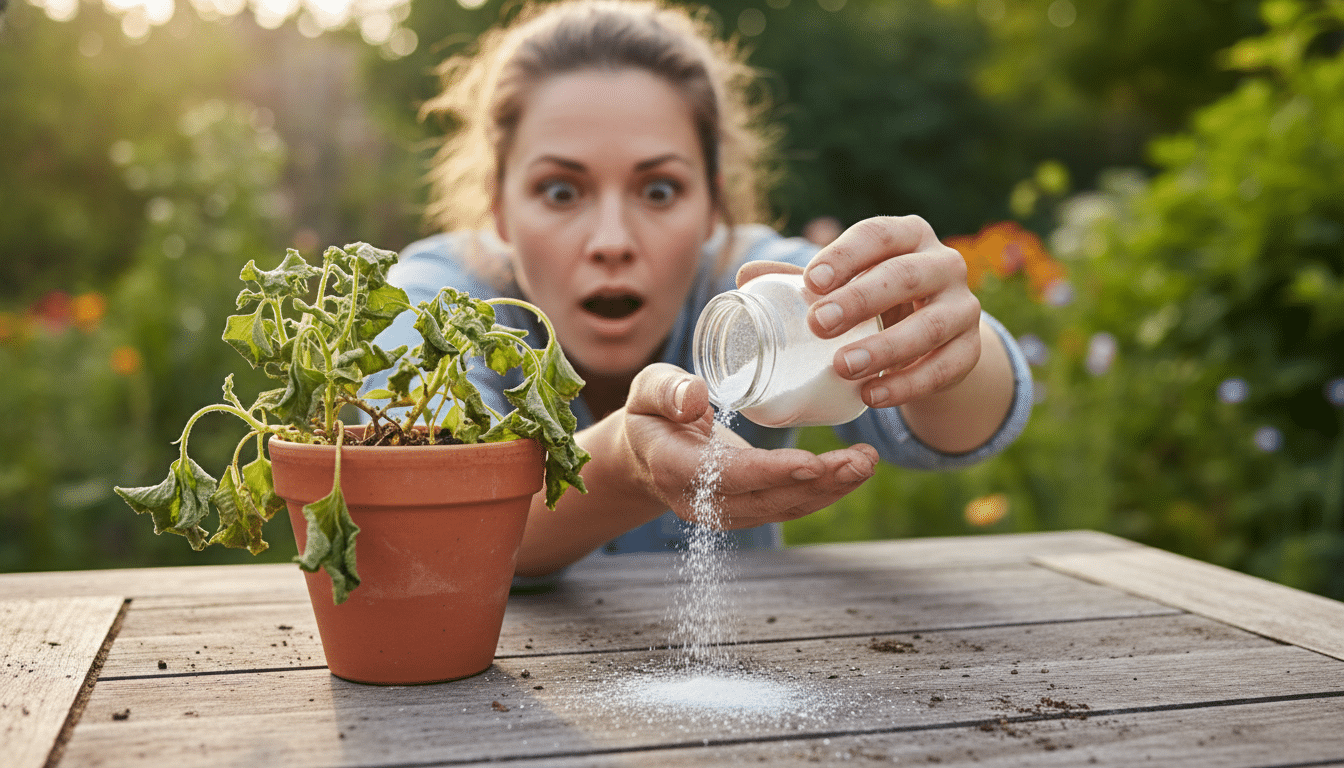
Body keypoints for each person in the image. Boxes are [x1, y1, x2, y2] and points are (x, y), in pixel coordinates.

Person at [367, 0, 1033, 581]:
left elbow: (968, 423)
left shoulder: (756, 287)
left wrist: (945, 347)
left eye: (658, 190)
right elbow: (448, 524)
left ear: (714, 204)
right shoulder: (430, 303)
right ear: (500, 209)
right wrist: (627, 464)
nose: (611, 240)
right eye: (561, 191)